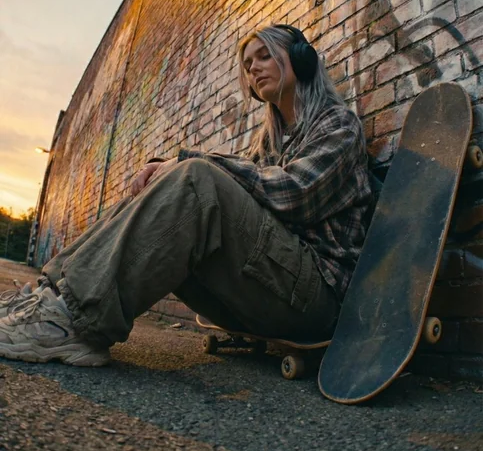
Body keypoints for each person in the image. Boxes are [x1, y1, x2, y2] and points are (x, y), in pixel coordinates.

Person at [0, 24, 372, 366]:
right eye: (247, 64)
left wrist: (189, 161)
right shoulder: (270, 145)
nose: (254, 69)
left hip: (314, 300)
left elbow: (293, 195)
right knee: (166, 183)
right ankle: (50, 298)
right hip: (266, 290)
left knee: (195, 177)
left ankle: (75, 324)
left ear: (302, 59)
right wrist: (169, 172)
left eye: (264, 55)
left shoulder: (339, 125)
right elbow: (246, 193)